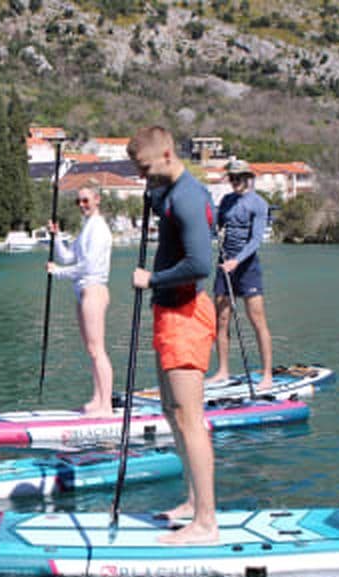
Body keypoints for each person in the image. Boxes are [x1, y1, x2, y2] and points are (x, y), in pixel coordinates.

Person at [128, 126, 218, 545]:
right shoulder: (166, 191)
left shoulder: (189, 197)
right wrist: (151, 191)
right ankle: (191, 501)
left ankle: (206, 523)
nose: (142, 176)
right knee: (170, 411)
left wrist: (152, 278)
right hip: (167, 312)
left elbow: (201, 264)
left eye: (145, 169)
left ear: (166, 155)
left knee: (189, 419)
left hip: (186, 313)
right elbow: (157, 197)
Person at [46, 186, 114, 418]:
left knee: (98, 350)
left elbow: (89, 267)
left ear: (97, 199)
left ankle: (106, 406)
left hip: (94, 290)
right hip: (82, 292)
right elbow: (67, 257)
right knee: (91, 350)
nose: (82, 204)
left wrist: (58, 273)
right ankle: (97, 399)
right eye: (78, 201)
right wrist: (55, 237)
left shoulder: (99, 229)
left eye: (85, 200)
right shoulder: (86, 228)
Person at [206, 159, 274, 390]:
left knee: (257, 320)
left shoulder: (259, 204)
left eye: (238, 178)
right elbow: (213, 227)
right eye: (231, 178)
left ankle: (267, 375)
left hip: (247, 267)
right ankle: (223, 371)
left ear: (248, 178)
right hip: (225, 265)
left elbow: (255, 240)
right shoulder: (226, 201)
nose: (234, 182)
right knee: (221, 320)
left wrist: (237, 261)